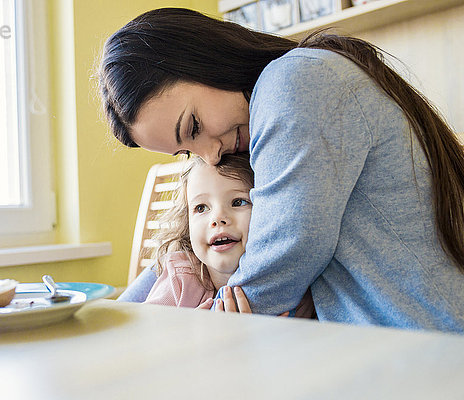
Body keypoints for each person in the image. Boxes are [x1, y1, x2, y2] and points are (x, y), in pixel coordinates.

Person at [101, 8, 464, 332]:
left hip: (425, 347)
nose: (209, 156)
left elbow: (287, 249)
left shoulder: (295, 82)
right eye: (187, 150)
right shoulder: (266, 109)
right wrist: (113, 321)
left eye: (193, 127)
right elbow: (179, 253)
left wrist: (189, 336)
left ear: (204, 59)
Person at [142, 153, 315, 317]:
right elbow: (143, 339)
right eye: (201, 208)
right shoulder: (180, 279)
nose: (217, 218)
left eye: (238, 202)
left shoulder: (294, 284)